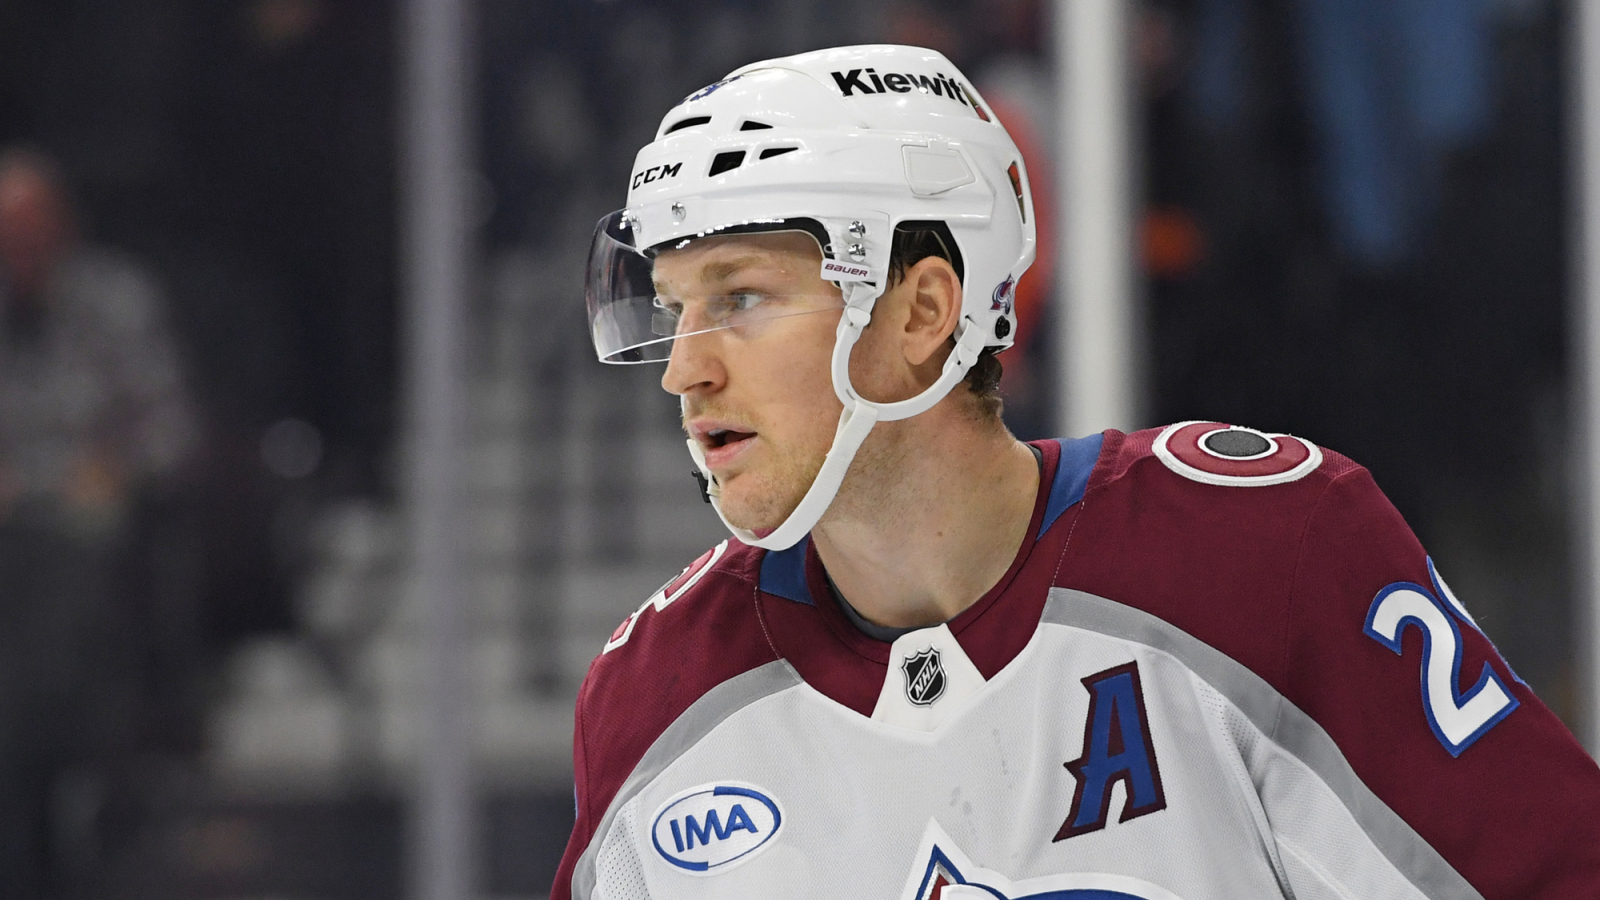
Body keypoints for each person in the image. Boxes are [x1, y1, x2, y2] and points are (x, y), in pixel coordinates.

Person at [555, 45, 1600, 899]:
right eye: (676, 308)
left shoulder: (1264, 559)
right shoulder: (657, 697)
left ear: (923, 311)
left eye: (739, 297)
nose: (684, 370)